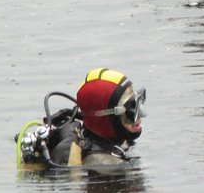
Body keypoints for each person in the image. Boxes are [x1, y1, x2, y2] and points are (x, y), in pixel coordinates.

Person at [16, 68, 145, 169]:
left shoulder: (88, 134)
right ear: (105, 120)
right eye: (130, 111)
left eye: (138, 103)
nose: (139, 115)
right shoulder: (107, 165)